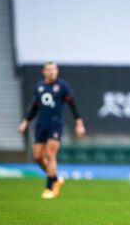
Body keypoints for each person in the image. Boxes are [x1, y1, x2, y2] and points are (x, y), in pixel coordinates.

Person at [18, 62, 86, 199]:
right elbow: (34, 107)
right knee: (37, 157)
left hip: (55, 124)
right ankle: (55, 178)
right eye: (49, 69)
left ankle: (49, 187)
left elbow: (72, 105)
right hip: (40, 124)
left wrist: (79, 123)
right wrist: (26, 121)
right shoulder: (39, 87)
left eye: (54, 69)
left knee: (50, 154)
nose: (52, 72)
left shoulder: (62, 86)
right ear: (44, 71)